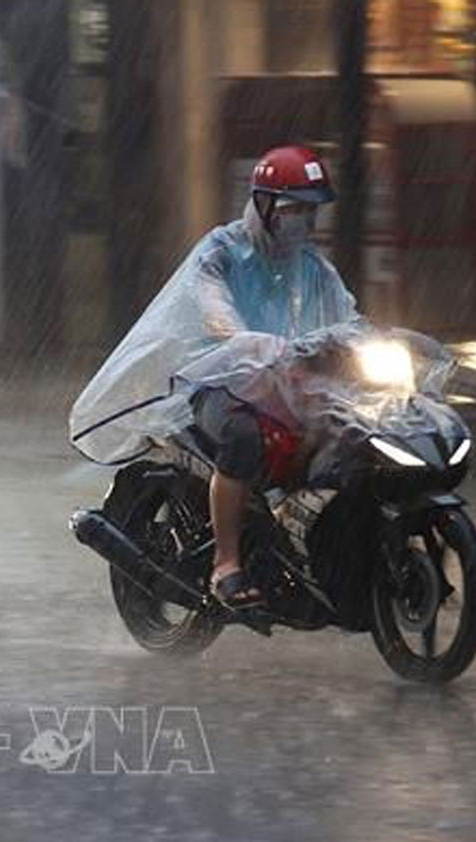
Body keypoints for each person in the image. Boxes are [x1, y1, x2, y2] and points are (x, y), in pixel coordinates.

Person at [69, 145, 359, 608]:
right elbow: (213, 307)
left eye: (312, 210)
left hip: (287, 384)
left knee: (355, 429)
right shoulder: (221, 251)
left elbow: (347, 318)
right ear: (264, 206)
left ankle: (313, 542)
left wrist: (364, 343)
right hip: (215, 381)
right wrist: (241, 338)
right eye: (294, 209)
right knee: (242, 436)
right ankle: (227, 563)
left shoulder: (314, 268)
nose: (305, 222)